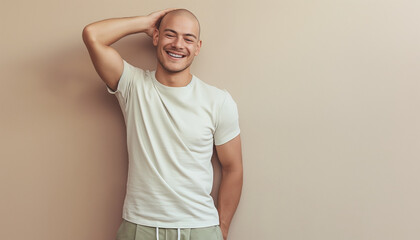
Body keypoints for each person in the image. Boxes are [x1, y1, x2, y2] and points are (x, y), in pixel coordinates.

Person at [82, 8, 243, 240]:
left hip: (199, 228)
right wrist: (145, 22)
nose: (178, 44)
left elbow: (233, 168)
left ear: (197, 47)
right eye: (170, 34)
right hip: (139, 226)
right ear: (155, 37)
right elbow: (92, 35)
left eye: (188, 39)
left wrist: (222, 228)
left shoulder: (218, 101)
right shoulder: (133, 86)